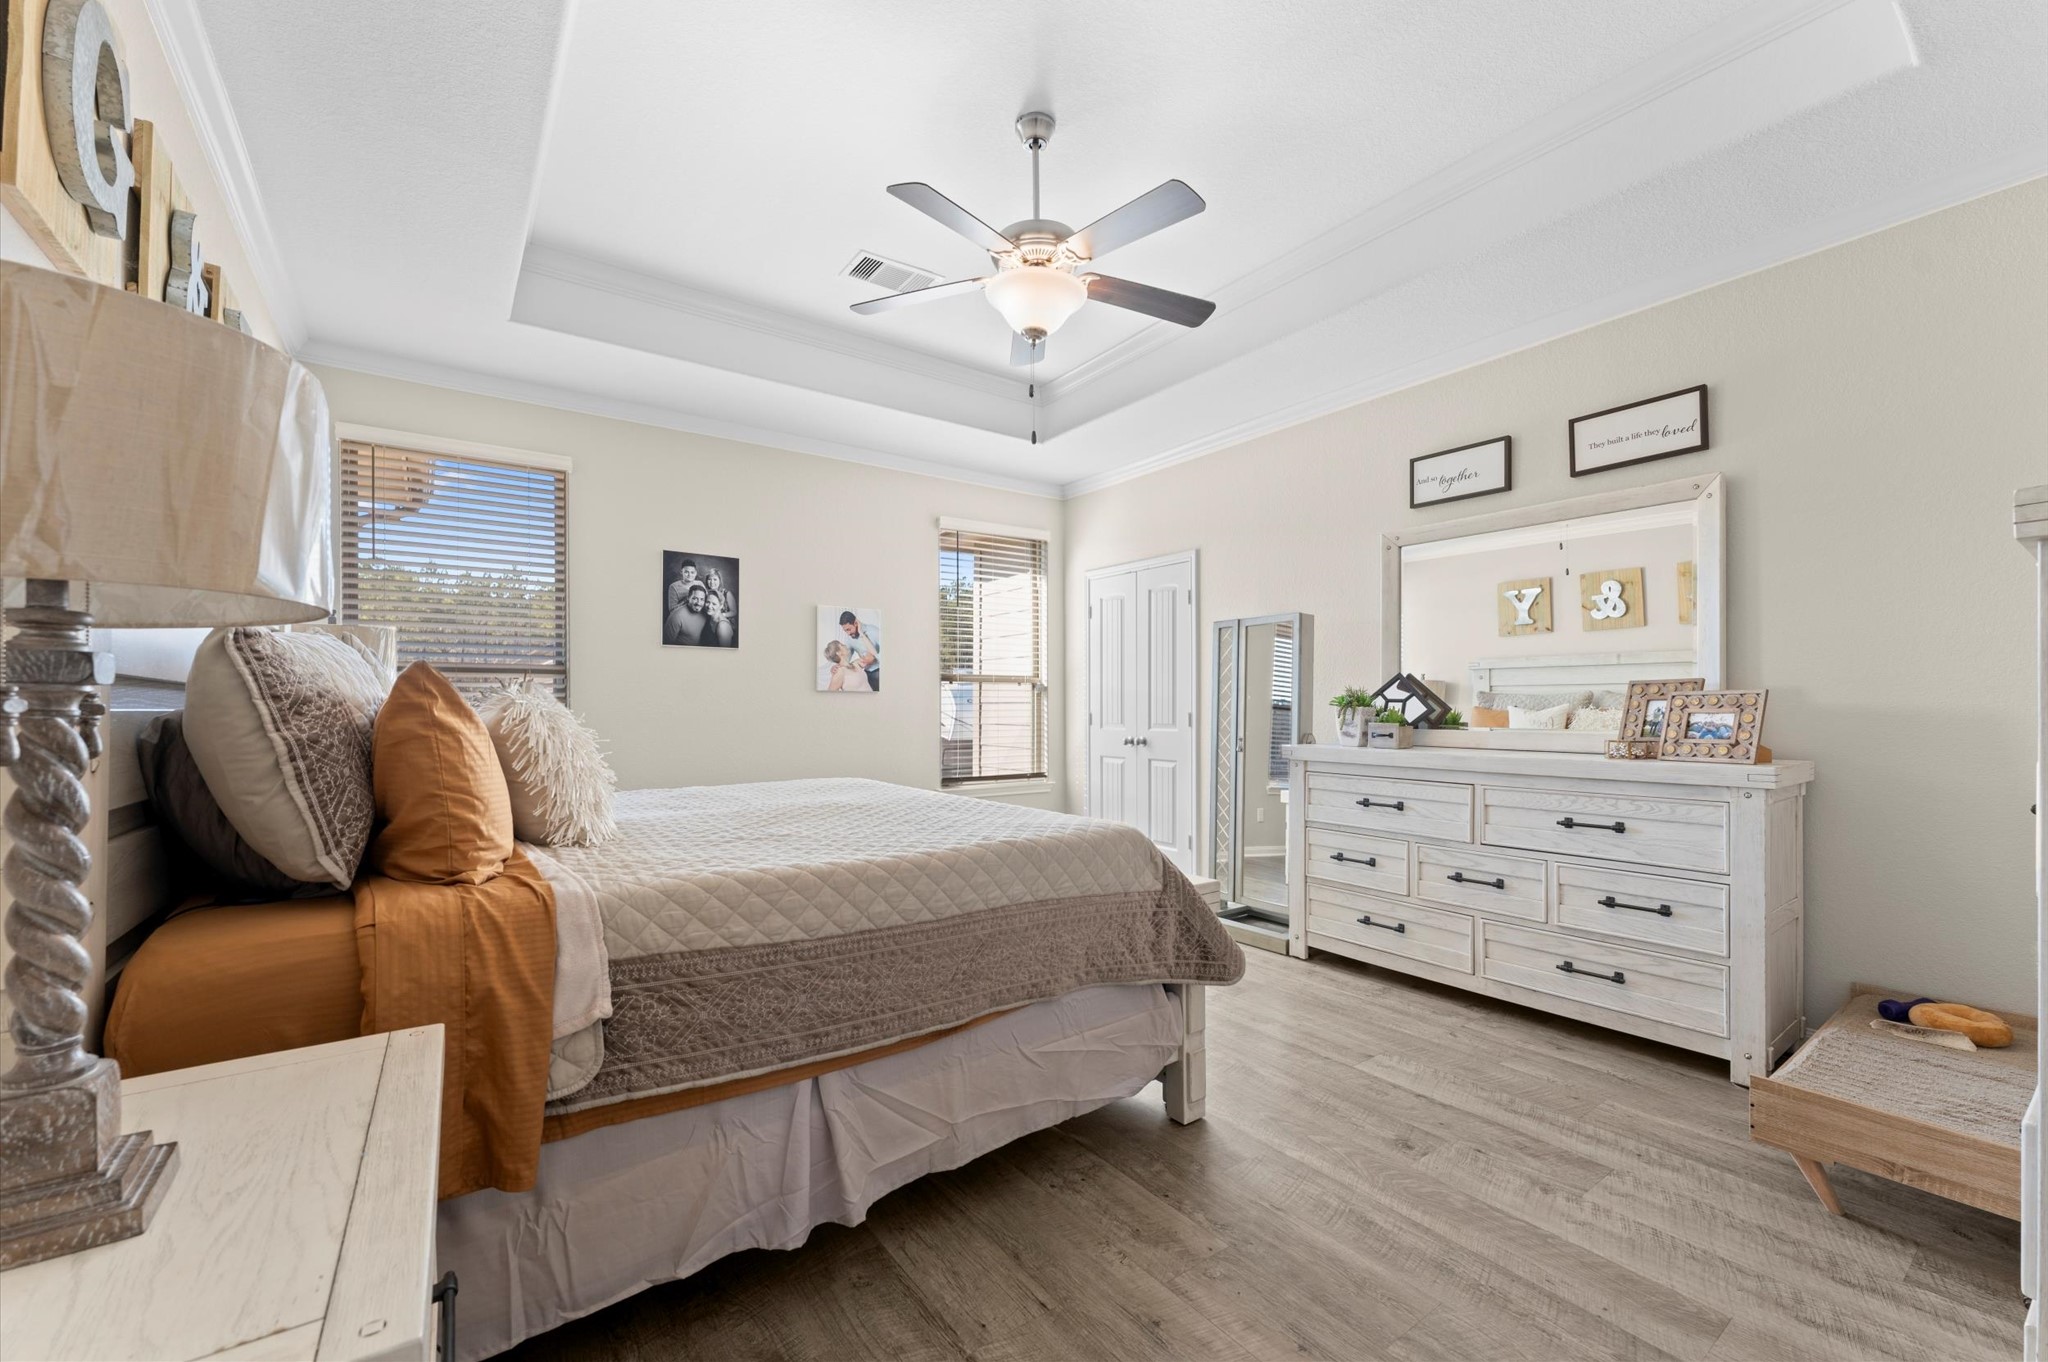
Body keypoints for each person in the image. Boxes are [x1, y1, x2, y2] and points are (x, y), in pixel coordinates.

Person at [838, 611, 879, 692]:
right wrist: (838, 666)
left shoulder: (874, 631)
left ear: (856, 623)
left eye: (849, 629)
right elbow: (846, 657)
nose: (848, 633)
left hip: (880, 672)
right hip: (866, 674)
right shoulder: (850, 638)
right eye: (845, 631)